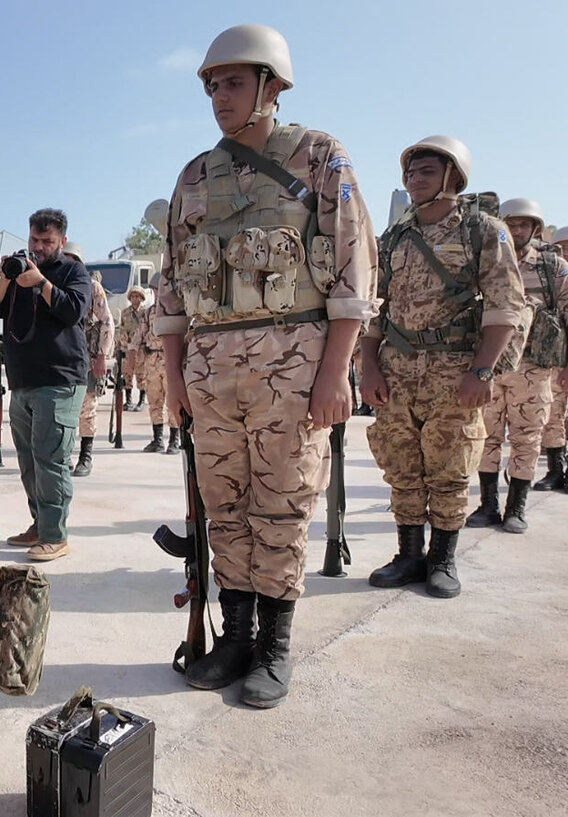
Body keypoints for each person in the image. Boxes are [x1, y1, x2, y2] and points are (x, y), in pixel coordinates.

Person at [156, 25, 377, 708]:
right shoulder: (193, 175)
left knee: (282, 506)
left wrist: (336, 371)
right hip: (211, 366)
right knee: (224, 507)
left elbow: (351, 271)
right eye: (211, 85)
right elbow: (171, 285)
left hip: (293, 361)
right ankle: (237, 637)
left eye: (231, 82)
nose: (219, 95)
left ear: (271, 86)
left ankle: (275, 646)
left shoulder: (320, 157)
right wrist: (171, 373)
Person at [361, 135, 523, 599]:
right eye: (410, 174)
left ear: (453, 176)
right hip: (396, 369)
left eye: (426, 172)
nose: (414, 181)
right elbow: (376, 310)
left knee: (450, 467)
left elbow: (504, 307)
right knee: (401, 465)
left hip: (455, 371)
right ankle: (409, 555)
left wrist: (483, 371)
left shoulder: (483, 231)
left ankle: (443, 559)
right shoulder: (395, 237)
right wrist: (368, 369)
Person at [0, 208, 90, 562]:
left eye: (46, 241)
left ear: (61, 241)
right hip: (23, 382)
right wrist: (6, 278)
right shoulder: (17, 272)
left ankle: (55, 535)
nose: (39, 247)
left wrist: (41, 283)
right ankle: (40, 526)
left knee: (51, 459)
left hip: (59, 380)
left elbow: (73, 310)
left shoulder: (73, 271)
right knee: (28, 461)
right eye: (34, 240)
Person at [467, 198, 568, 532]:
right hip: (492, 367)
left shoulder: (553, 269)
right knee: (486, 437)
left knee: (528, 438)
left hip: (536, 368)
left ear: (535, 229)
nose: (518, 230)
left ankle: (516, 508)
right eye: (512, 224)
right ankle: (488, 506)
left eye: (525, 225)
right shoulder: (487, 260)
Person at [67, 244, 114, 478]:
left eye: (72, 258)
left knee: (86, 409)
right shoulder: (52, 284)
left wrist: (103, 355)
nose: (67, 261)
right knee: (62, 410)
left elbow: (107, 321)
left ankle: (85, 456)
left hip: (87, 358)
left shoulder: (92, 287)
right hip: (61, 359)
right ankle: (64, 456)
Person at [537, 223, 568, 489]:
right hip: (555, 359)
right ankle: (555, 471)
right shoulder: (552, 276)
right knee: (553, 416)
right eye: (564, 247)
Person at [135, 293, 177, 453]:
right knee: (154, 401)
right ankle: (157, 439)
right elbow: (140, 334)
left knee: (172, 402)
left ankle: (174, 440)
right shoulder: (149, 312)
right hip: (152, 359)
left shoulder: (176, 310)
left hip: (169, 359)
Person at [118, 286, 146, 411]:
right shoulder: (125, 313)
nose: (135, 299)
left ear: (142, 298)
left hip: (141, 349)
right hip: (128, 348)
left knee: (141, 376)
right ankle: (128, 401)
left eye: (137, 296)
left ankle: (141, 401)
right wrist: (121, 346)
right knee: (127, 375)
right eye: (133, 296)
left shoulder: (145, 313)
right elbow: (122, 330)